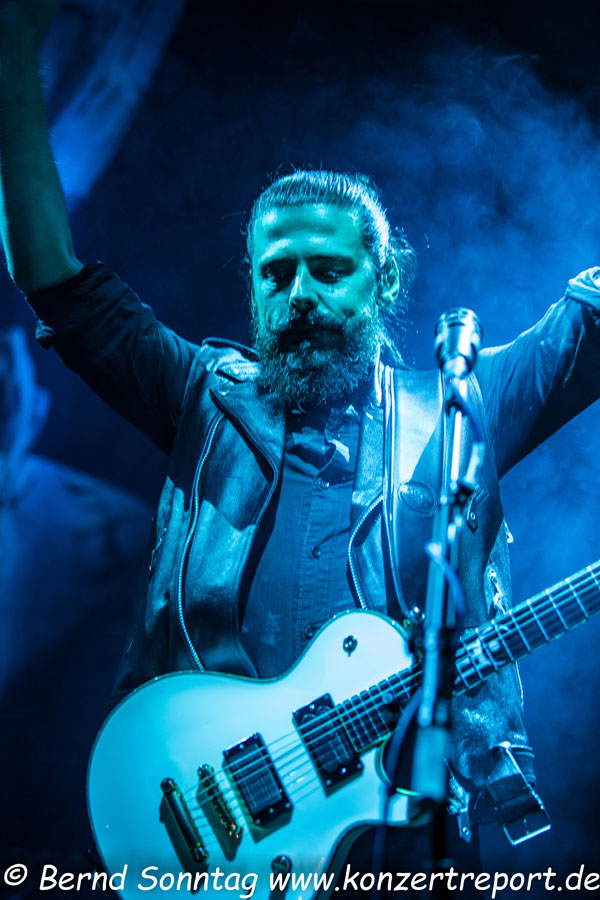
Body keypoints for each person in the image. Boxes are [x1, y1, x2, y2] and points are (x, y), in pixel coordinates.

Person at [2, 1, 600, 895]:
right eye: (276, 274)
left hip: (401, 847)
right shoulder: (202, 395)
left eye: (330, 270)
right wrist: (14, 53)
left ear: (382, 280)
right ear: (252, 289)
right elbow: (51, 273)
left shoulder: (460, 412)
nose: (302, 295)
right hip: (208, 821)